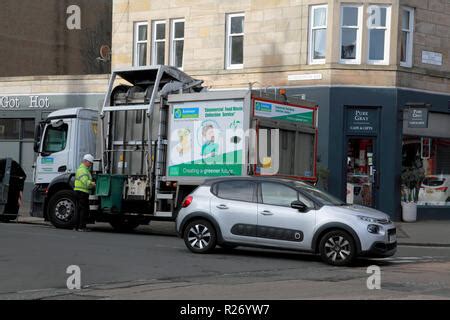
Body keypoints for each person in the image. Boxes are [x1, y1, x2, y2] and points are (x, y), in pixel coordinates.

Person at [74, 154, 96, 231]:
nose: (90, 165)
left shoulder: (84, 169)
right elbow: (85, 182)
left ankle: (77, 227)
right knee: (84, 210)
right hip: (81, 192)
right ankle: (81, 227)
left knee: (79, 209)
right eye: (90, 163)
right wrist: (93, 184)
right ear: (85, 161)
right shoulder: (82, 170)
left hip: (81, 192)